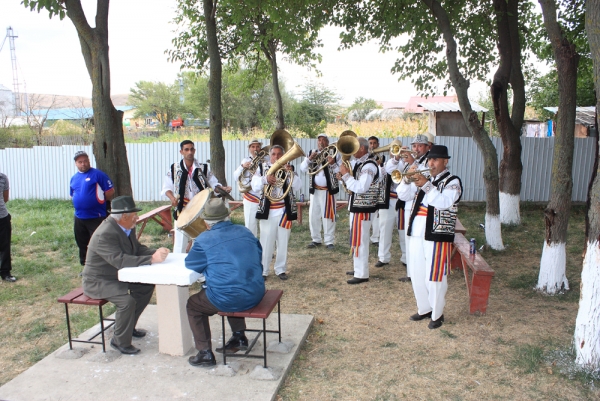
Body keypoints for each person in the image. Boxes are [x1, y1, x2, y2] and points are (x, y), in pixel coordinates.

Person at [82, 196, 170, 354]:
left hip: (118, 276)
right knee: (126, 302)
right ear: (124, 216)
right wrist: (151, 259)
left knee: (145, 287)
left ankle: (127, 327)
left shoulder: (126, 226)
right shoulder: (105, 234)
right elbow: (120, 261)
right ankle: (119, 341)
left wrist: (155, 252)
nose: (137, 218)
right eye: (134, 215)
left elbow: (135, 248)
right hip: (98, 281)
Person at [184, 198, 265, 367]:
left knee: (193, 305)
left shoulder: (203, 239)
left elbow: (191, 264)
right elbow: (258, 254)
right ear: (229, 215)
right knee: (232, 285)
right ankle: (239, 336)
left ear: (206, 222)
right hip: (256, 291)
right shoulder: (245, 231)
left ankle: (205, 352)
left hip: (229, 298)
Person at [397, 145, 463, 329]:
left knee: (434, 275)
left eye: (435, 160)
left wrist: (426, 184)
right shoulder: (424, 179)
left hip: (437, 233)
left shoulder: (453, 181)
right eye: (429, 160)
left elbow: (443, 202)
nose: (431, 163)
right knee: (417, 272)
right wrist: (408, 179)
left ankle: (437, 313)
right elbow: (402, 195)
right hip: (417, 230)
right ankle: (424, 308)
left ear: (445, 162)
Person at [161, 140, 232, 253]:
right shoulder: (174, 168)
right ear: (181, 152)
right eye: (186, 149)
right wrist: (172, 198)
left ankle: (198, 267)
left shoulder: (203, 168)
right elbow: (166, 187)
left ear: (194, 150)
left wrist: (221, 189)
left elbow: (213, 184)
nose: (189, 152)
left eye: (191, 149)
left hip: (201, 209)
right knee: (180, 245)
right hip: (182, 209)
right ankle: (180, 269)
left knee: (201, 241)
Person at [251, 145, 301, 280]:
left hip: (284, 211)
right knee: (266, 242)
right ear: (269, 155)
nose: (277, 157)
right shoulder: (262, 168)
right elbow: (254, 185)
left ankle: (280, 269)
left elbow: (298, 186)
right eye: (274, 154)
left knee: (283, 242)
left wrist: (291, 174)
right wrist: (265, 179)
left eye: (279, 154)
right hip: (268, 211)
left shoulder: (288, 168)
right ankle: (264, 271)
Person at [388, 133, 431, 282]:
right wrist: (397, 157)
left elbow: (425, 178)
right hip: (408, 205)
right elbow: (390, 170)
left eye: (419, 146)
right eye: (414, 146)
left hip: (421, 207)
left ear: (427, 147)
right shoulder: (411, 162)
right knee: (409, 240)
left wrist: (414, 163)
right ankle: (411, 274)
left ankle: (419, 274)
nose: (416, 148)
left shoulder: (428, 161)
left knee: (419, 241)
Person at [337, 137, 379, 284]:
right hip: (358, 207)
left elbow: (362, 187)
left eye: (354, 147)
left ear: (362, 148)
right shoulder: (361, 164)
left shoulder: (369, 166)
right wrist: (344, 178)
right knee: (356, 239)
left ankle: (362, 274)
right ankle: (358, 268)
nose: (352, 151)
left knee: (360, 240)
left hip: (364, 208)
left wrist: (346, 175)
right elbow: (353, 187)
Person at [70, 151, 115, 266]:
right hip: (80, 216)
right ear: (76, 163)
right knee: (82, 242)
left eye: (85, 161)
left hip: (96, 216)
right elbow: (72, 194)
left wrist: (99, 202)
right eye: (80, 162)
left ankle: (102, 265)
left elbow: (110, 191)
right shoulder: (74, 178)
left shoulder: (98, 175)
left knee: (99, 242)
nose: (83, 164)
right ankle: (86, 266)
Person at [300, 133, 340, 249]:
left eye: (323, 140)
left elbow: (340, 171)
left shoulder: (335, 153)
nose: (321, 142)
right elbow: (302, 168)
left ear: (328, 142)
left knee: (328, 216)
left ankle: (329, 241)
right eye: (319, 140)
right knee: (313, 215)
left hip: (329, 190)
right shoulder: (312, 152)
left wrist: (332, 164)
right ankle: (316, 239)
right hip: (315, 190)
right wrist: (309, 159)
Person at [375, 139, 406, 269]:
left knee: (403, 230)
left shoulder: (407, 163)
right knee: (384, 229)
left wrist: (401, 158)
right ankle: (383, 257)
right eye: (393, 150)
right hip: (388, 200)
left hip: (403, 201)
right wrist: (396, 158)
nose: (394, 152)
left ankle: (405, 257)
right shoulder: (387, 163)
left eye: (397, 149)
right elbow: (388, 170)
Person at [232, 139, 265, 237]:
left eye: (257, 146)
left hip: (264, 196)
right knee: (250, 225)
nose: (255, 149)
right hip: (251, 196)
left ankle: (266, 250)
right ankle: (252, 248)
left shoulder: (265, 160)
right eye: (253, 147)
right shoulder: (245, 160)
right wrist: (243, 166)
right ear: (249, 148)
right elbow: (236, 176)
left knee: (266, 226)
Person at [367, 136, 384, 245]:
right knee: (367, 214)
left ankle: (375, 238)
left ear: (378, 144)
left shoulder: (382, 158)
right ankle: (365, 235)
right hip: (366, 189)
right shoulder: (365, 157)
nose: (372, 145)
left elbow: (383, 176)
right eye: (370, 143)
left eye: (374, 143)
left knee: (376, 215)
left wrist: (379, 166)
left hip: (377, 188)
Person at [0, 171, 15, 282]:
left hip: (2, 217)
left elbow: (5, 198)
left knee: (4, 246)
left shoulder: (3, 177)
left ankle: (5, 273)